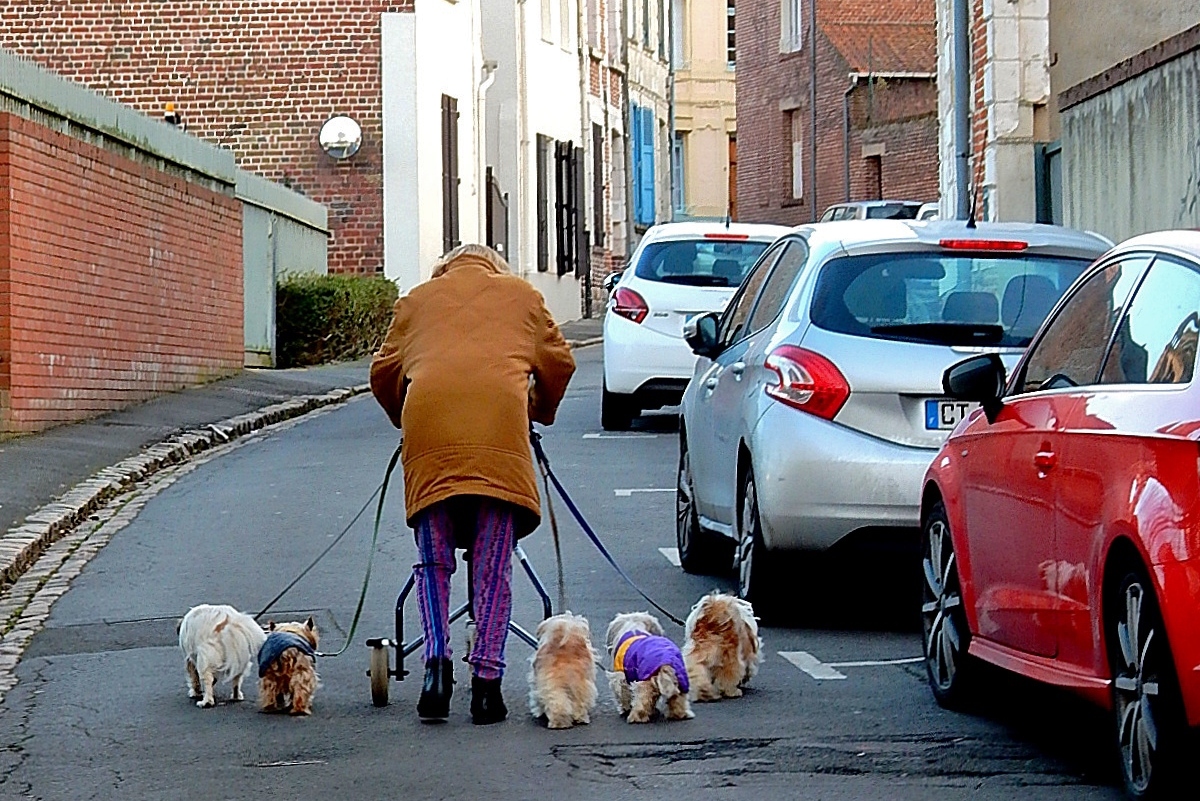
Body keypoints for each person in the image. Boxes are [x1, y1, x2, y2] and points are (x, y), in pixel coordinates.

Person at [369, 244, 576, 724]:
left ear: (444, 270)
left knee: (433, 561)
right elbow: (560, 363)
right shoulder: (522, 297)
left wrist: (406, 411)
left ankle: (435, 671)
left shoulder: (417, 300)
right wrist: (533, 408)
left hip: (432, 438)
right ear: (495, 269)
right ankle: (487, 686)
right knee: (493, 563)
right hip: (499, 437)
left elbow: (382, 372)